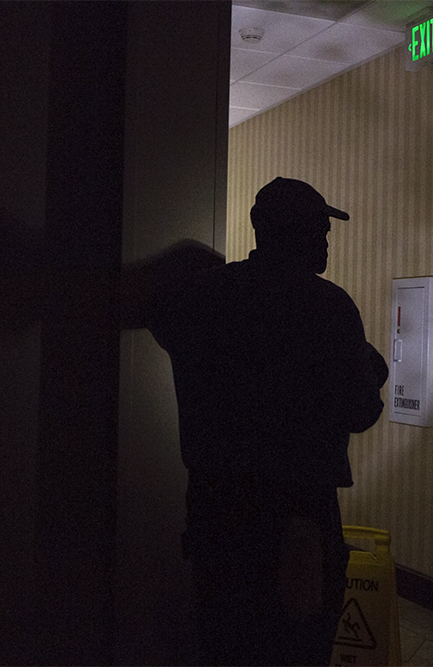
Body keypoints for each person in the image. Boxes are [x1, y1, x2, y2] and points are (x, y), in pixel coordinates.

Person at [141, 177, 388, 666]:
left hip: (218, 510)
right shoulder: (330, 308)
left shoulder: (202, 298)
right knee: (297, 648)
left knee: (226, 643)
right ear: (286, 231)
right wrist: (372, 365)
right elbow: (361, 411)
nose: (324, 239)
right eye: (316, 227)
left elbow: (154, 308)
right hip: (300, 518)